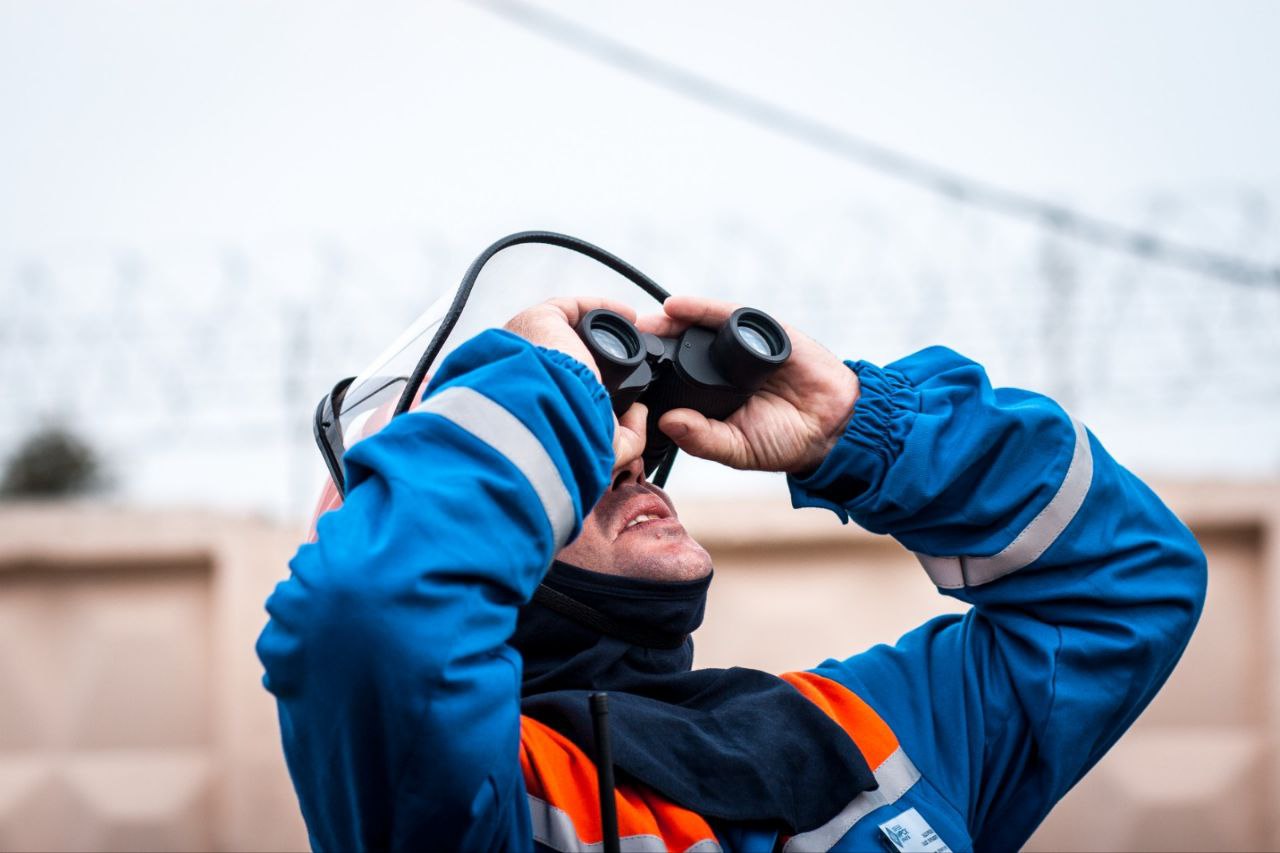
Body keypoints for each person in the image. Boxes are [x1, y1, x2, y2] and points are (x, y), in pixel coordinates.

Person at [256, 294, 1207, 852]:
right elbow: (372, 613)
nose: (624, 467)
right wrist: (546, 391)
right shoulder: (472, 796)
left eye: (626, 459)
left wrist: (865, 431)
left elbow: (1128, 584)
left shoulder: (863, 733)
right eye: (567, 478)